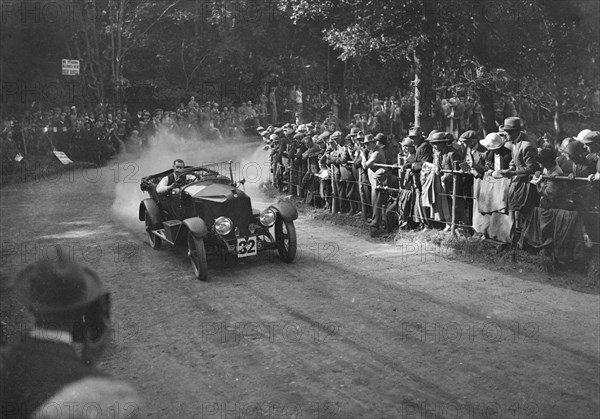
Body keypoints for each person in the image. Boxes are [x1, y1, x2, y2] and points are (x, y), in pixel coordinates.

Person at [0, 255, 141, 418]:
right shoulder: (113, 397)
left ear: (31, 306)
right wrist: (87, 367)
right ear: (82, 310)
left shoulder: (5, 363)